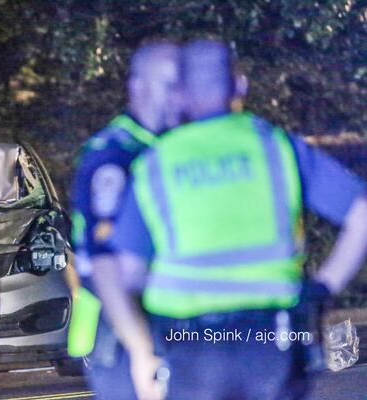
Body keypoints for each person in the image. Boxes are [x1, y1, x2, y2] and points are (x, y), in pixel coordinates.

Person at [94, 39, 367, 400]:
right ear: (240, 86)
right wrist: (323, 288)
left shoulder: (155, 165)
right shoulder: (276, 148)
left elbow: (128, 271)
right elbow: (361, 211)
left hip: (189, 348)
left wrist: (142, 350)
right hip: (272, 345)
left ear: (180, 95)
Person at [67, 41, 182, 399]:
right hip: (120, 331)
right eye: (169, 84)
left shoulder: (164, 146)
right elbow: (106, 264)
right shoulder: (116, 157)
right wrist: (141, 349)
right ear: (137, 87)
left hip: (154, 322)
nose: (178, 96)